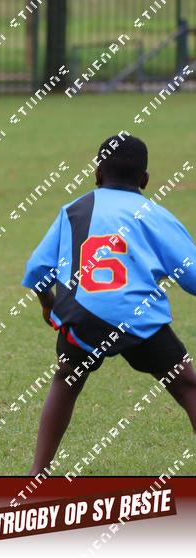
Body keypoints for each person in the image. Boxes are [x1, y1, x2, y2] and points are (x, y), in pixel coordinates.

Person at [23, 135, 196, 474]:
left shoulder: (73, 211)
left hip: (82, 316)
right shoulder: (155, 215)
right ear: (145, 179)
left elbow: (37, 270)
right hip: (137, 318)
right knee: (187, 385)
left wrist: (48, 304)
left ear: (97, 174)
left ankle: (36, 476)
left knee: (66, 379)